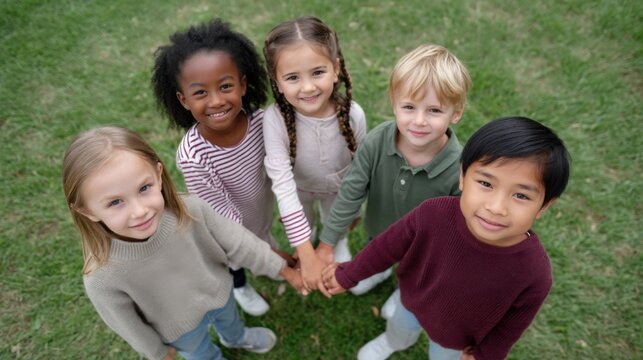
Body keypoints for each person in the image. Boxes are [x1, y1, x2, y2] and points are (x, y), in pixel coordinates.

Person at [322, 117, 571, 360]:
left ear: (544, 205)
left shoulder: (534, 273)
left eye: (521, 196)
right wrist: (349, 274)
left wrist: (485, 355)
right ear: (462, 176)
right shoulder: (432, 213)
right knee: (400, 330)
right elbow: (386, 247)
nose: (496, 207)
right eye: (486, 183)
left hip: (457, 336)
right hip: (412, 300)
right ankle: (392, 342)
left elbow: (511, 327)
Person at [62, 126, 304, 360]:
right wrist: (156, 353)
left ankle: (236, 337)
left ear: (158, 175)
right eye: (115, 202)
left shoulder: (192, 210)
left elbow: (239, 242)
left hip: (220, 293)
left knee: (231, 321)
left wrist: (280, 267)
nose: (139, 211)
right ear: (87, 211)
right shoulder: (101, 276)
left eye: (144, 188)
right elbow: (126, 323)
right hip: (179, 331)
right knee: (200, 354)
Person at [317, 44, 471, 299]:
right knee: (376, 250)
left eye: (434, 110)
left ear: (456, 113)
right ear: (394, 104)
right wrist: (328, 240)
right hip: (379, 231)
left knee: (416, 272)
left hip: (424, 249)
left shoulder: (461, 170)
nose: (419, 120)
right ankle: (378, 269)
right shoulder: (378, 141)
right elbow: (351, 192)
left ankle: (404, 292)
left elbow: (457, 231)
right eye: (409, 107)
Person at [151, 19, 283, 316]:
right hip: (224, 231)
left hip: (259, 212)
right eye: (200, 93)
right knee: (232, 261)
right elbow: (227, 224)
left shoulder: (261, 122)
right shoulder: (194, 156)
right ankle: (240, 287)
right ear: (183, 100)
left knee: (262, 233)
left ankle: (263, 257)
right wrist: (275, 258)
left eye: (225, 86)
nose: (216, 101)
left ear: (243, 84)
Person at [262, 16, 367, 295]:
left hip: (340, 190)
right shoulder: (275, 120)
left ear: (335, 69)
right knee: (302, 228)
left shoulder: (353, 115)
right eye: (293, 77)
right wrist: (306, 254)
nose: (307, 87)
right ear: (277, 81)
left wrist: (331, 241)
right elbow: (282, 186)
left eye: (317, 72)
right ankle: (308, 247)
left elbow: (361, 170)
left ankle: (338, 242)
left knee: (341, 220)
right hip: (298, 192)